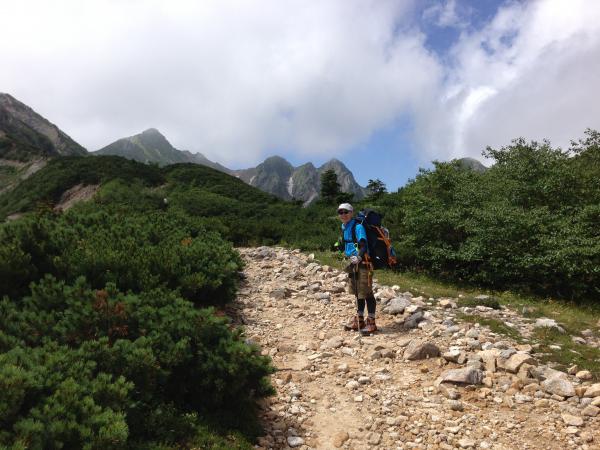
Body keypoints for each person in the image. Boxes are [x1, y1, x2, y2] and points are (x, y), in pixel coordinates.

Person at [337, 203, 377, 334]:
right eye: (340, 212)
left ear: (351, 213)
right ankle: (360, 320)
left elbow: (364, 245)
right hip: (352, 264)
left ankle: (371, 322)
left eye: (346, 212)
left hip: (363, 263)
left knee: (367, 293)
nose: (343, 214)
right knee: (357, 293)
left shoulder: (358, 227)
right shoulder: (344, 227)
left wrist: (359, 257)